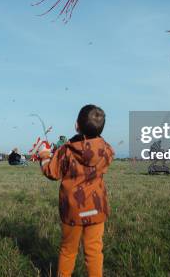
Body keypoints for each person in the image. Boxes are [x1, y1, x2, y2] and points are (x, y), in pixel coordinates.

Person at [38, 104, 114, 277]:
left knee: (68, 250)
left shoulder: (66, 150)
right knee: (94, 251)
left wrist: (44, 156)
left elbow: (51, 172)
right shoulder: (106, 150)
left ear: (76, 125)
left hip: (72, 211)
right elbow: (107, 156)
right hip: (97, 209)